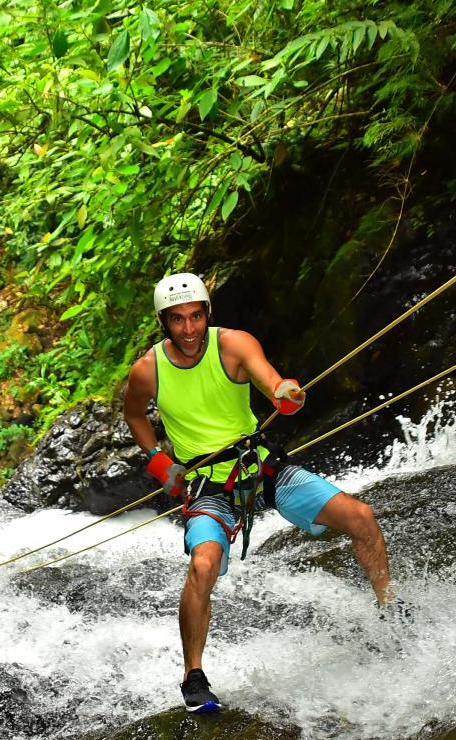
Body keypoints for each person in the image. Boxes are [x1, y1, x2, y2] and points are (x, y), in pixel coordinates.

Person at [123, 272, 394, 713]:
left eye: (195, 316)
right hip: (208, 483)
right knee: (203, 563)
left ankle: (391, 613)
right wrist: (159, 462)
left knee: (361, 517)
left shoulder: (233, 344)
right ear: (163, 323)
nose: (189, 330)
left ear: (207, 313)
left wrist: (285, 393)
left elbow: (271, 381)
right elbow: (134, 414)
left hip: (261, 466)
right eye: (177, 320)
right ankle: (194, 677)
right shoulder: (148, 370)